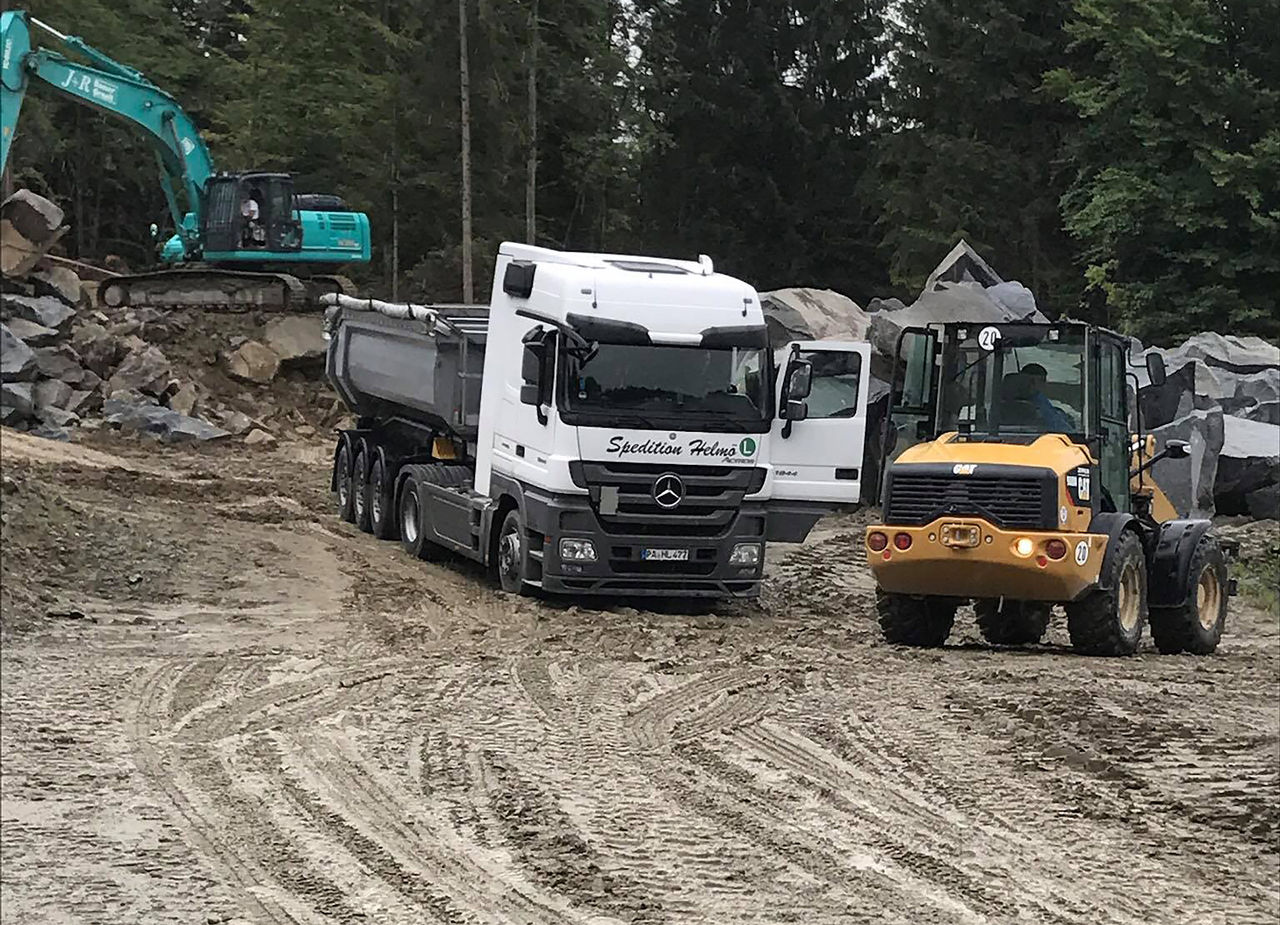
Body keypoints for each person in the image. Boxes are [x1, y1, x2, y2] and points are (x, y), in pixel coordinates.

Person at [1021, 362, 1075, 432]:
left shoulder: (1004, 399)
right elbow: (1061, 428)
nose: (1044, 385)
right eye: (1041, 381)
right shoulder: (1038, 401)